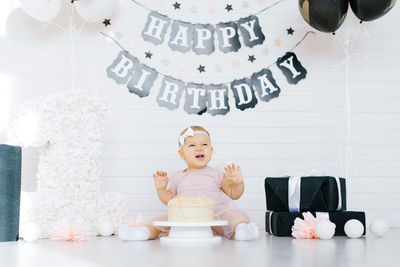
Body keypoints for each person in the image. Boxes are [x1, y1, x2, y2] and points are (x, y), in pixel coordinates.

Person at [118, 126, 259, 241]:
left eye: (204, 144)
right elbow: (169, 200)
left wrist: (238, 183)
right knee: (159, 220)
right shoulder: (178, 176)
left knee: (235, 215)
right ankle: (144, 232)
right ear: (181, 154)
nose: (199, 148)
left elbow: (234, 194)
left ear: (211, 150)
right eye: (192, 145)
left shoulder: (217, 173)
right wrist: (161, 189)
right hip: (184, 215)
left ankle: (242, 230)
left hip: (215, 214)